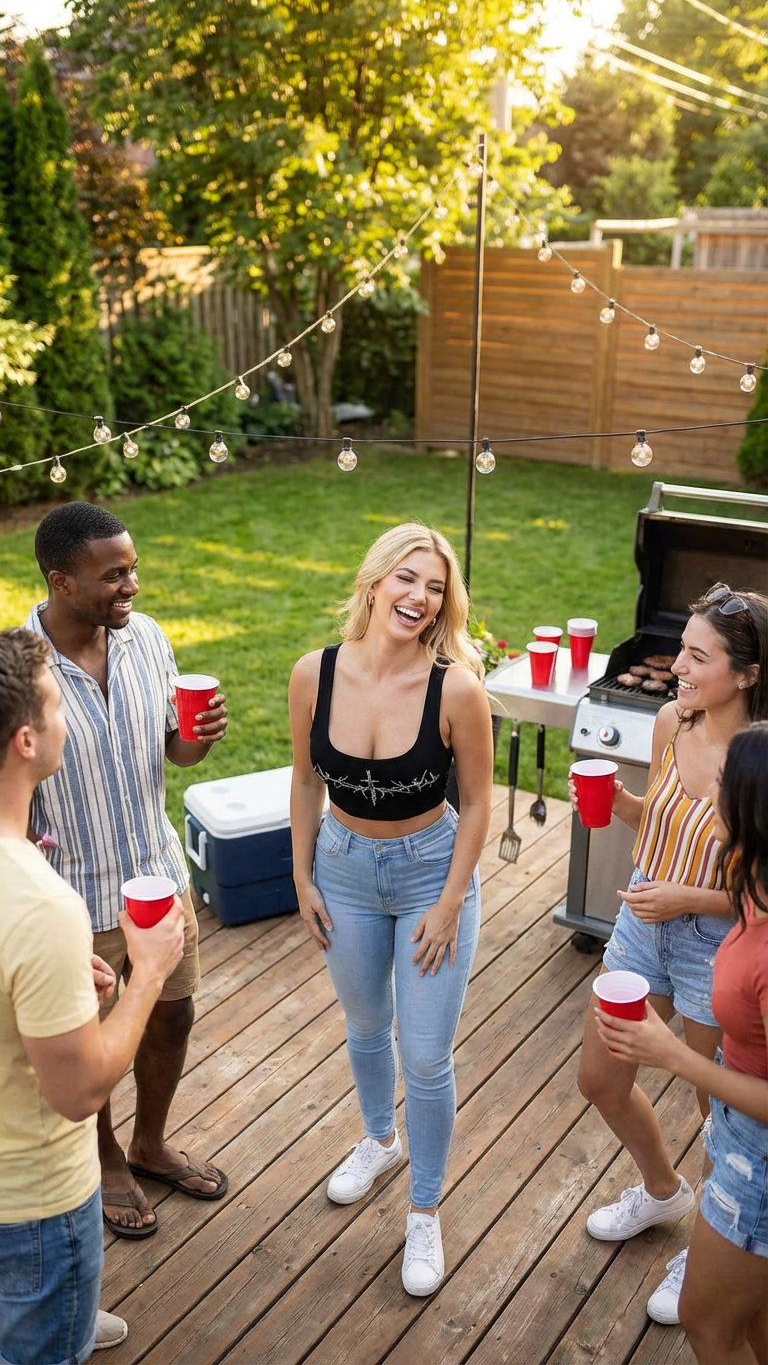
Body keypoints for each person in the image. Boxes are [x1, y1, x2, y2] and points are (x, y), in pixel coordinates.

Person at [288, 523, 493, 1296]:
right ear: (375, 582)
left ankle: (424, 1210)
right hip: (341, 869)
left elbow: (479, 804)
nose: (420, 597)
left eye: (436, 588)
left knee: (428, 1054)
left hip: (430, 873)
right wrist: (301, 876)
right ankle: (380, 1140)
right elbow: (305, 779)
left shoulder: (456, 688)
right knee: (367, 1022)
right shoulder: (314, 674)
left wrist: (450, 901)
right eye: (407, 578)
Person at [24, 502, 229, 1239]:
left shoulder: (147, 639)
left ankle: (149, 1142)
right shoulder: (20, 669)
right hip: (72, 896)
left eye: (133, 568)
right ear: (61, 581)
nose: (131, 585)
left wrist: (198, 739)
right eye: (113, 575)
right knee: (92, 1037)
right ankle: (106, 1156)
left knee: (172, 1012)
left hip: (158, 878)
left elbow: (173, 748)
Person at [576, 583, 768, 1325]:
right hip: (641, 924)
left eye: (698, 657)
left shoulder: (757, 766)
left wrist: (690, 899)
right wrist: (618, 805)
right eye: (680, 651)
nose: (679, 666)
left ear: (747, 674)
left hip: (716, 944)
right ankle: (663, 1191)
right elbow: (660, 821)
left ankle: (704, 1247)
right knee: (600, 1078)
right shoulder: (670, 721)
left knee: (716, 1113)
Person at [0, 627, 186, 1363]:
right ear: (26, 741)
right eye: (56, 707)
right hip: (34, 1211)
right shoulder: (40, 904)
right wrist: (149, 973)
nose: (68, 721)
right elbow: (79, 1092)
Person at [595, 721, 768, 1365]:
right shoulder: (754, 897)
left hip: (757, 1164)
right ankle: (665, 1192)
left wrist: (673, 1056)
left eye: (723, 786)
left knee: (708, 1323)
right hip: (739, 1140)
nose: (706, 794)